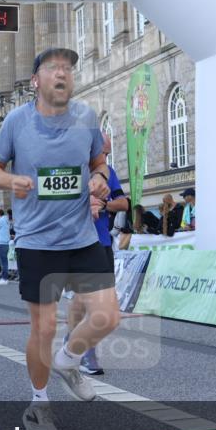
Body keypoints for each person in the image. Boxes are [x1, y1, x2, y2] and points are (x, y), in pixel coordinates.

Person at [0, 46, 120, 430]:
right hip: (36, 241)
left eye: (68, 69)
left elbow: (99, 163)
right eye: (53, 68)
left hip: (80, 237)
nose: (63, 74)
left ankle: (70, 359)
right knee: (42, 328)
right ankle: (38, 405)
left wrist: (98, 179)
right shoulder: (17, 122)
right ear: (36, 81)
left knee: (108, 317)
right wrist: (11, 181)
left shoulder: (86, 117)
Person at [68, 130, 128, 376]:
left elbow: (123, 203)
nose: (107, 154)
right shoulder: (72, 169)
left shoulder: (109, 173)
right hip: (78, 242)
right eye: (104, 151)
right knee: (88, 299)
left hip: (102, 242)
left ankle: (71, 342)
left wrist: (104, 204)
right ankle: (84, 351)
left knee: (87, 299)